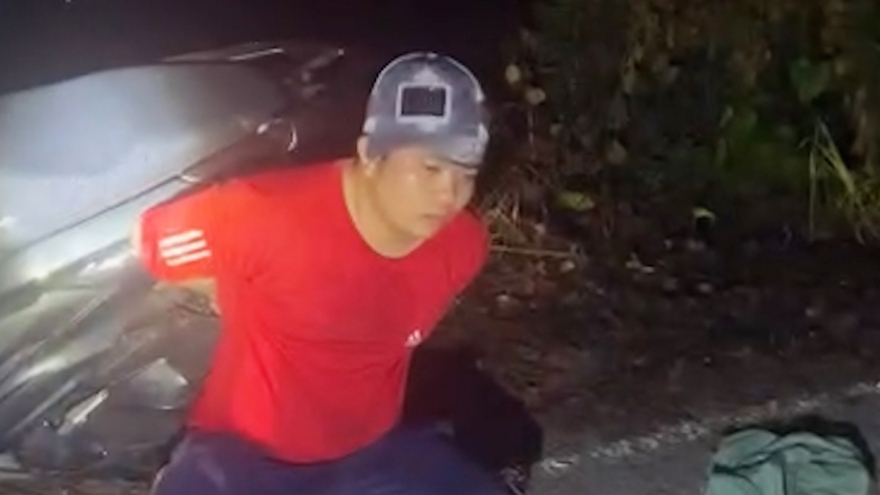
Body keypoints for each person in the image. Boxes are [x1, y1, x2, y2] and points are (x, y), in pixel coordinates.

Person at [135, 51, 506, 495]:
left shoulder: (462, 246)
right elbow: (151, 239)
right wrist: (228, 291)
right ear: (371, 154)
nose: (449, 194)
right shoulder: (264, 214)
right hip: (244, 456)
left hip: (370, 455)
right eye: (431, 168)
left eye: (466, 174)